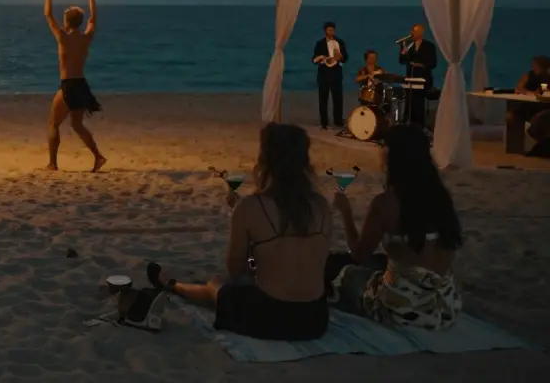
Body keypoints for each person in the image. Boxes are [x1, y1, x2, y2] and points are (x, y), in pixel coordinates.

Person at [147, 123, 331, 341]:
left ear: (266, 160)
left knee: (217, 285)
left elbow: (236, 271)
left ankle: (173, 285)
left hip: (271, 317)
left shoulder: (251, 207)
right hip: (315, 319)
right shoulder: (321, 205)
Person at [328, 124, 463, 329]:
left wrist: (346, 213)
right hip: (446, 305)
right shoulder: (441, 197)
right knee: (380, 262)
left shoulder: (386, 203)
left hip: (406, 308)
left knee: (346, 272)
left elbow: (358, 254)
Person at [43, 0, 107, 173]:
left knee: (53, 124)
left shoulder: (62, 37)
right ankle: (98, 156)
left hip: (69, 86)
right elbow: (94, 18)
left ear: (66, 21)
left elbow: (47, 14)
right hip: (82, 86)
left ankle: (53, 164)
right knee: (77, 125)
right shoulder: (86, 38)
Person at [398, 24, 437, 127]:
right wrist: (402, 48)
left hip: (423, 78)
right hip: (411, 77)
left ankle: (419, 125)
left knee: (418, 103)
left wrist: (421, 65)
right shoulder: (409, 45)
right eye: (412, 31)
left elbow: (433, 63)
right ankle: (407, 123)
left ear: (421, 32)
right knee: (409, 101)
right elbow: (402, 61)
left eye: (415, 32)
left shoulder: (429, 46)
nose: (413, 34)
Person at [511, 55, 550, 158]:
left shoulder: (546, 77)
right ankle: (516, 147)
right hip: (529, 103)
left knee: (518, 113)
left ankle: (525, 146)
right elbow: (519, 86)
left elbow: (542, 92)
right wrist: (525, 91)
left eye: (535, 64)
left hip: (541, 105)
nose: (533, 65)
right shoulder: (530, 74)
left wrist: (528, 92)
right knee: (515, 113)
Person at [312, 22, 349, 131]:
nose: (330, 32)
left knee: (338, 98)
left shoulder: (340, 42)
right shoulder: (320, 43)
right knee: (323, 98)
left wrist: (340, 57)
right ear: (325, 31)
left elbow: (346, 57)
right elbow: (313, 59)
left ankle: (338, 120)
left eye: (332, 30)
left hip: (336, 72)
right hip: (324, 73)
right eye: (328, 30)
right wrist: (322, 58)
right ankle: (324, 122)